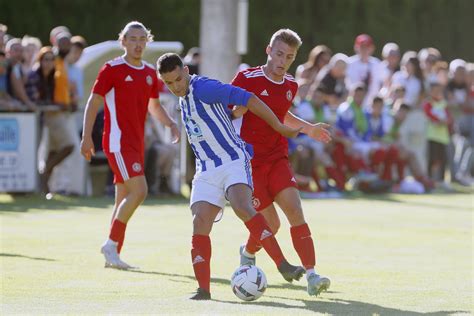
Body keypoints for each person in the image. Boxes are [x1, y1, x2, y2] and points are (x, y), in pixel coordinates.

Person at [157, 52, 306, 300]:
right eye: (169, 83)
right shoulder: (183, 97)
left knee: (241, 205)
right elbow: (217, 119)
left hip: (232, 160)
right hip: (206, 169)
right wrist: (232, 115)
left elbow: (248, 98)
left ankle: (283, 265)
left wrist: (279, 126)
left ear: (185, 70)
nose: (175, 87)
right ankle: (203, 290)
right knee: (199, 222)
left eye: (177, 80)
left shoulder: (204, 87)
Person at [231, 29, 332, 297]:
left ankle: (312, 275)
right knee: (271, 226)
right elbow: (228, 109)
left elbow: (282, 113)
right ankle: (249, 251)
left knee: (295, 211)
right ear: (268, 50)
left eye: (288, 57)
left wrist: (309, 128)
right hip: (250, 165)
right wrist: (235, 110)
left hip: (277, 158)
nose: (282, 61)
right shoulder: (246, 78)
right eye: (278, 54)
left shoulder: (290, 85)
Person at [80, 21, 180, 269]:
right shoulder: (111, 68)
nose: (138, 43)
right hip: (117, 142)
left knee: (123, 197)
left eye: (142, 39)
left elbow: (154, 106)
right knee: (140, 191)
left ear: (148, 41)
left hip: (136, 144)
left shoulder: (148, 72)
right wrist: (86, 136)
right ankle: (110, 245)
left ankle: (112, 254)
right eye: (132, 38)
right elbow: (94, 102)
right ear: (122, 41)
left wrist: (171, 124)